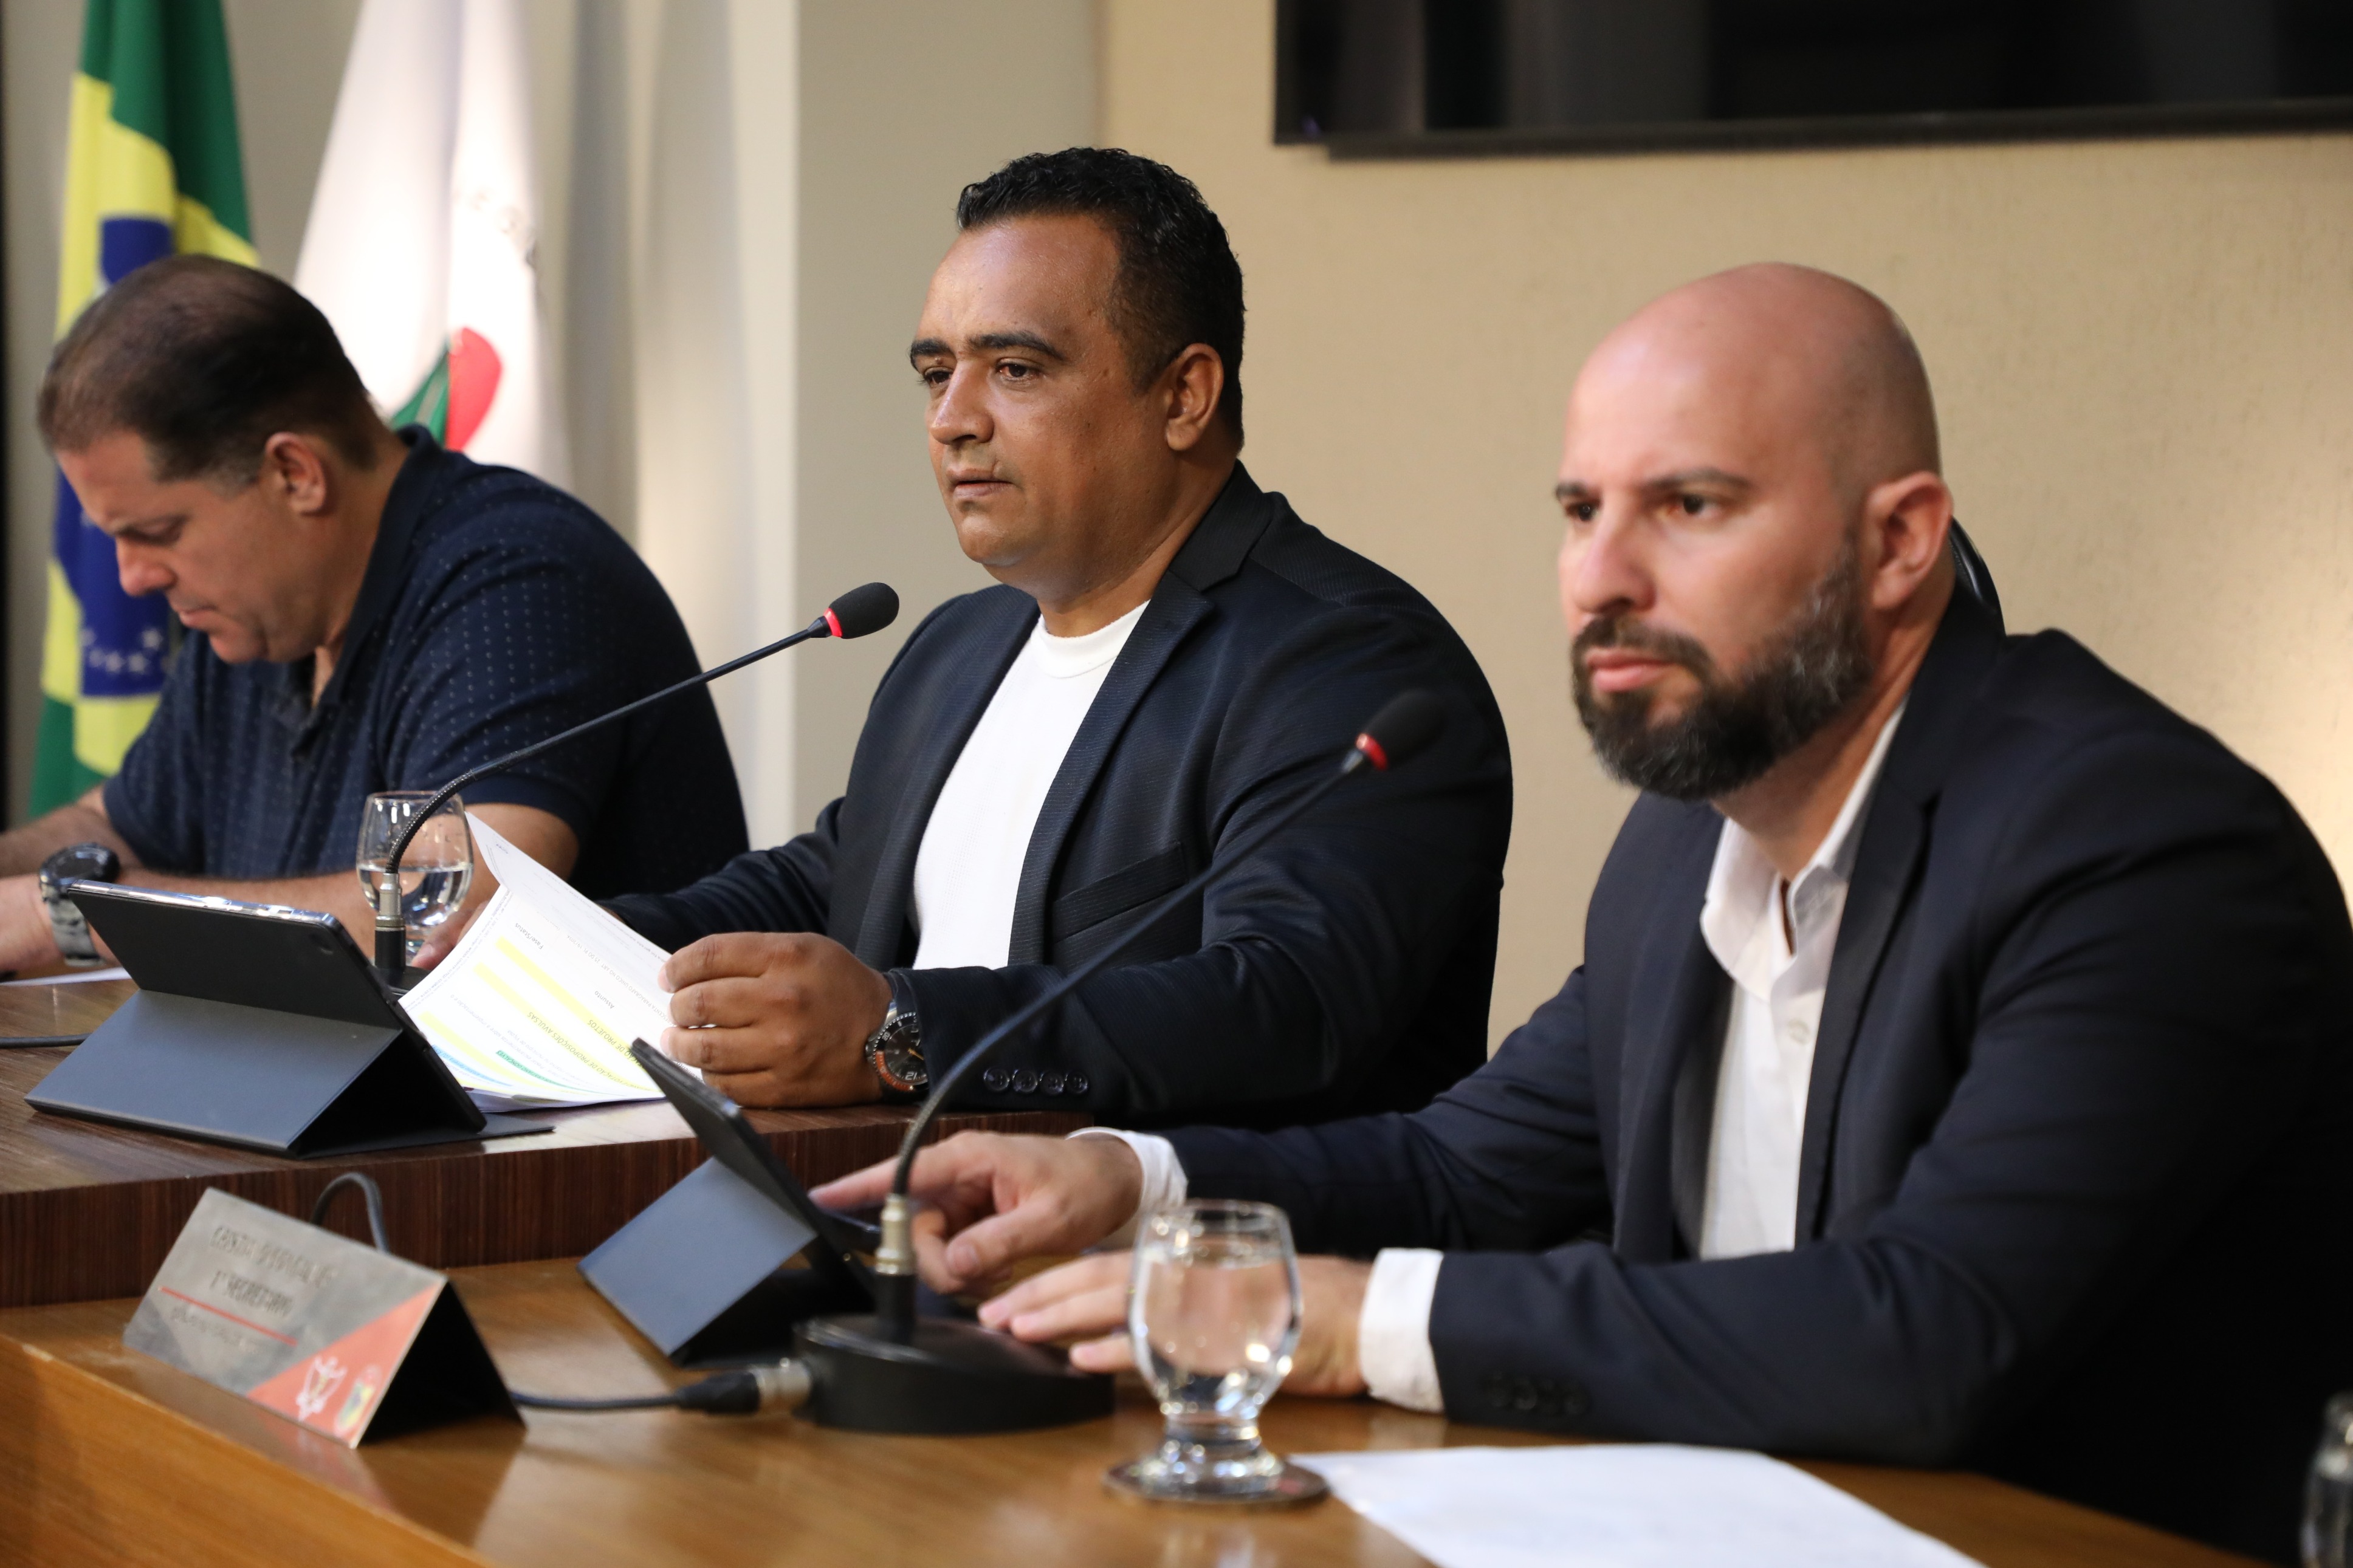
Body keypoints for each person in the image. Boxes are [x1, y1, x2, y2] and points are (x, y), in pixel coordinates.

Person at [816, 264, 2353, 1563]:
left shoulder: (2139, 851)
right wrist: (1128, 1181)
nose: (1601, 578)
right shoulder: (1683, 842)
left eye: (1688, 505)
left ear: (1900, 543)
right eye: (1578, 510)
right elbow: (1460, 1169)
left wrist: (1347, 1317)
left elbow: (1925, 1331)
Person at [603, 148, 1512, 1121]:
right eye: (937, 373)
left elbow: (1283, 1006)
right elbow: (828, 887)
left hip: (1177, 1217)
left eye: (1015, 369)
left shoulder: (1346, 665)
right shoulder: (956, 649)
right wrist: (542, 927)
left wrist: (900, 1032)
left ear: (1184, 396)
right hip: (884, 1203)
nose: (952, 420)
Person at [0, 255, 746, 969]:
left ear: (295, 474)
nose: (132, 578)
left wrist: (69, 914)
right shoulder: (257, 612)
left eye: (159, 532)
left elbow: (447, 916)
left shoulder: (522, 583)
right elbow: (111, 829)